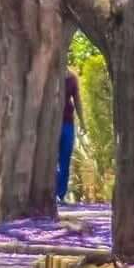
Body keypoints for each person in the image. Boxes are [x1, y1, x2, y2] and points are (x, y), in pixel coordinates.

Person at [57, 66, 83, 202]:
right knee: (51, 159)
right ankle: (52, 191)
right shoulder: (51, 74)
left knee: (65, 158)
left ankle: (61, 194)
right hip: (51, 124)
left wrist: (83, 121)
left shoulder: (72, 78)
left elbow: (77, 99)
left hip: (67, 122)